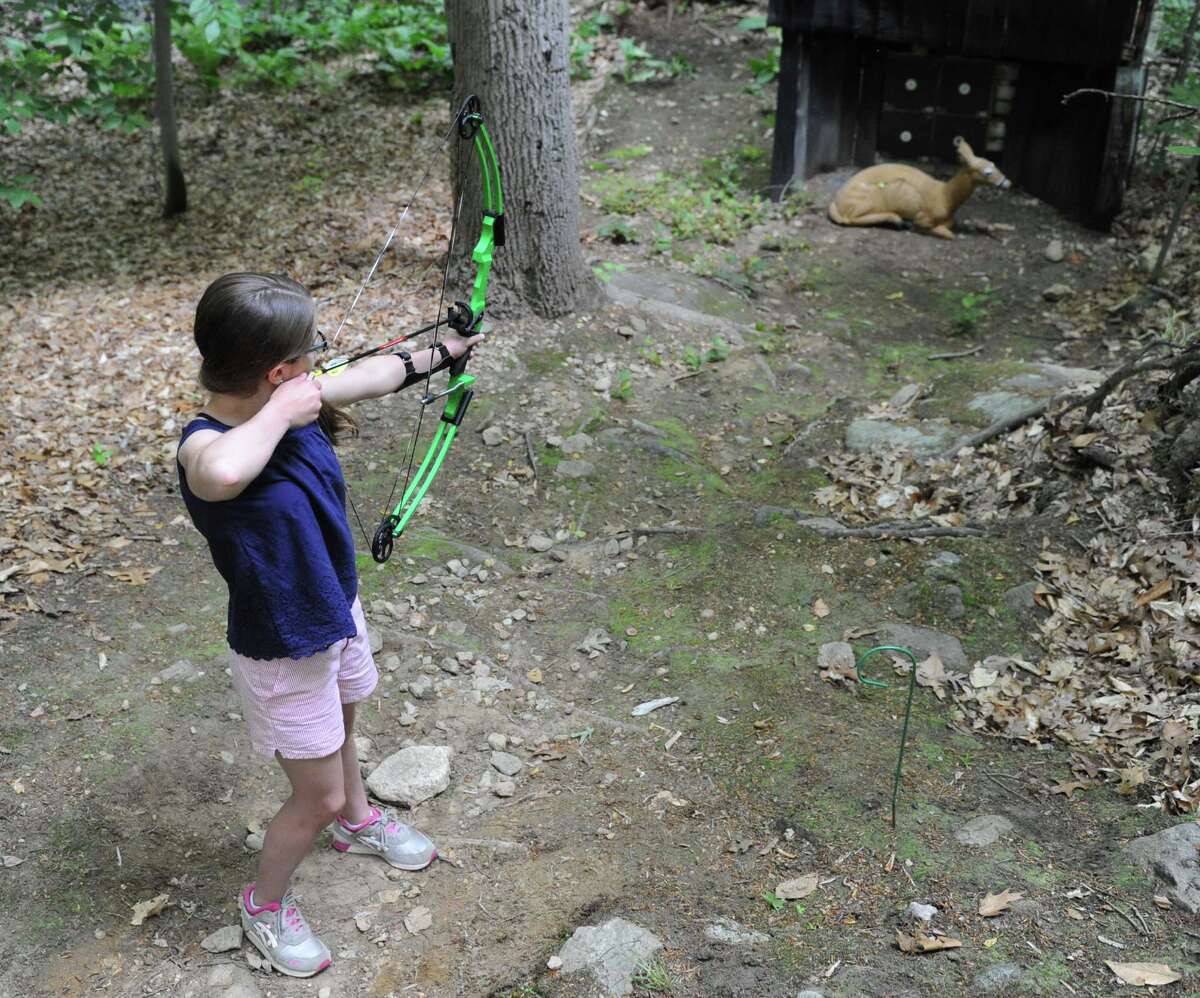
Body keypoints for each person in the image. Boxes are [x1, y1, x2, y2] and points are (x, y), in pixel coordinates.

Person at [176, 272, 482, 978]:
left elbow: (377, 374)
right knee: (316, 796)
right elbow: (218, 473)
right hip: (283, 644)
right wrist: (284, 411)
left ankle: (359, 822)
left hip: (334, 613)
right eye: (309, 355)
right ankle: (264, 903)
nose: (320, 363)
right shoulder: (207, 443)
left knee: (345, 727)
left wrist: (446, 351)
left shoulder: (298, 397)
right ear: (278, 373)